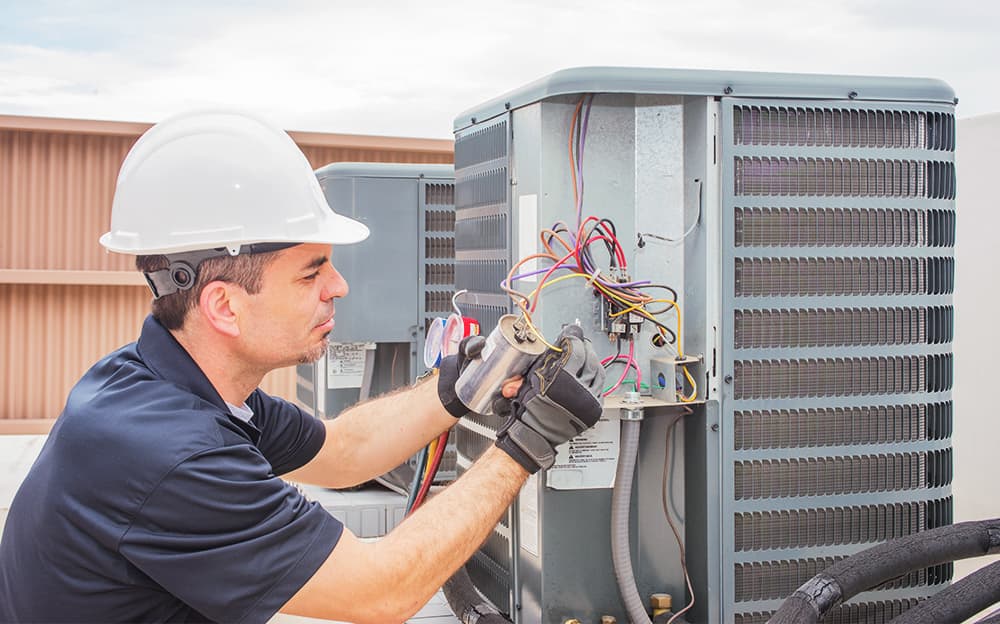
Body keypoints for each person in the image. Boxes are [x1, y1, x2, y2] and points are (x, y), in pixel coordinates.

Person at [0, 111, 606, 624]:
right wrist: (527, 444)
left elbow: (341, 450)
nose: (338, 287)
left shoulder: (165, 383)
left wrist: (456, 386)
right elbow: (381, 590)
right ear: (224, 306)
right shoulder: (170, 455)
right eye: (312, 272)